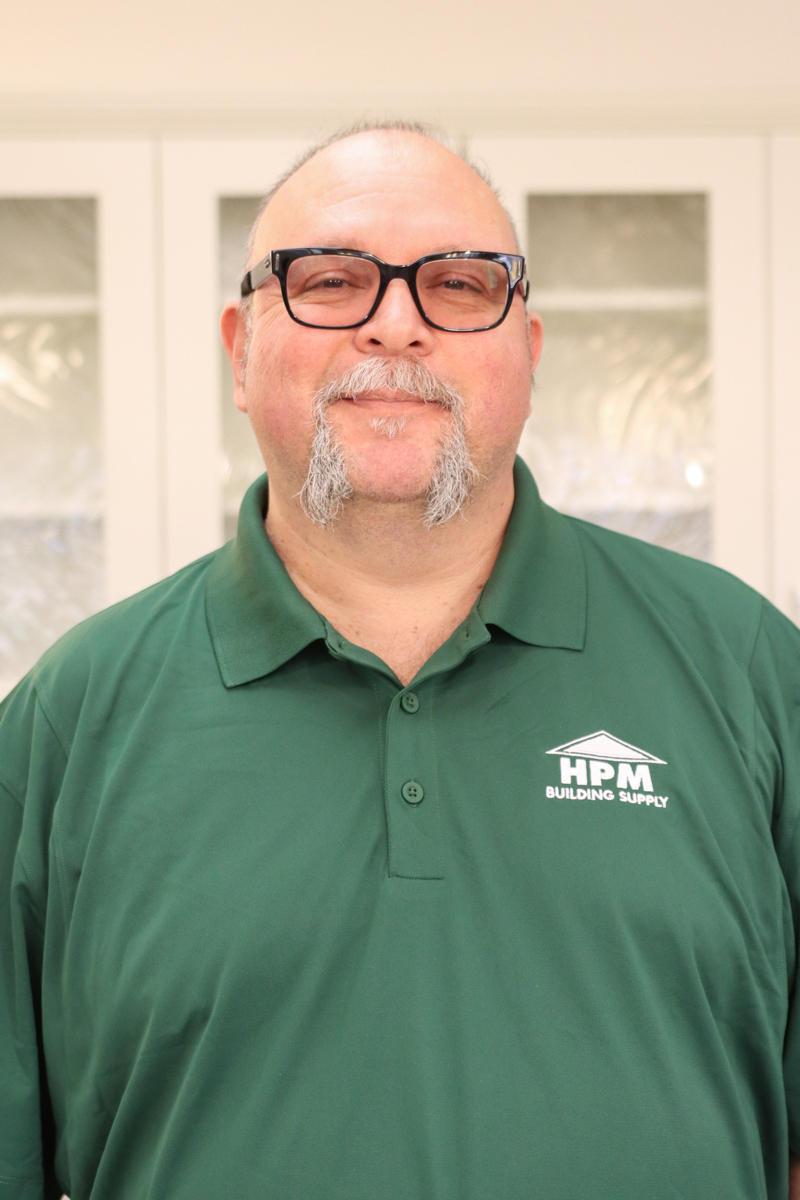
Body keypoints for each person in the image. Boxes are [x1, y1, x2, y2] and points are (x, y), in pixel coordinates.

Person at [1, 121, 799, 1200]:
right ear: (240, 351)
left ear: (528, 350)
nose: (394, 323)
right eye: (330, 281)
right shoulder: (68, 722)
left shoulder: (749, 674)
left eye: (459, 284)